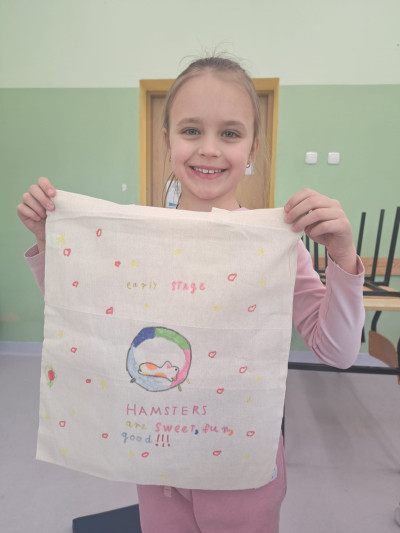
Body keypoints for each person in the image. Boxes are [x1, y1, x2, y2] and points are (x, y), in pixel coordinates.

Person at [17, 56, 365, 533]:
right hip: (157, 464)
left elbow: (339, 352)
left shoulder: (276, 248)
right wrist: (49, 242)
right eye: (191, 130)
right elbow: (87, 318)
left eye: (230, 133)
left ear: (253, 148)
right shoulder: (136, 240)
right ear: (168, 141)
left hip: (241, 474)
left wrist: (343, 257)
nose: (209, 149)